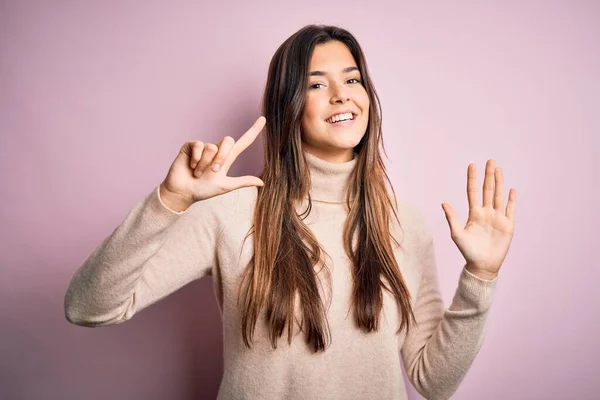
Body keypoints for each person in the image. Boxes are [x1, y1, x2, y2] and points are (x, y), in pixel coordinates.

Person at [64, 24, 516, 400]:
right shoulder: (231, 214)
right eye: (317, 84)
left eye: (353, 79)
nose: (341, 95)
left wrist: (481, 275)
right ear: (289, 106)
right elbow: (88, 307)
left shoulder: (406, 223)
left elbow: (434, 381)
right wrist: (170, 201)